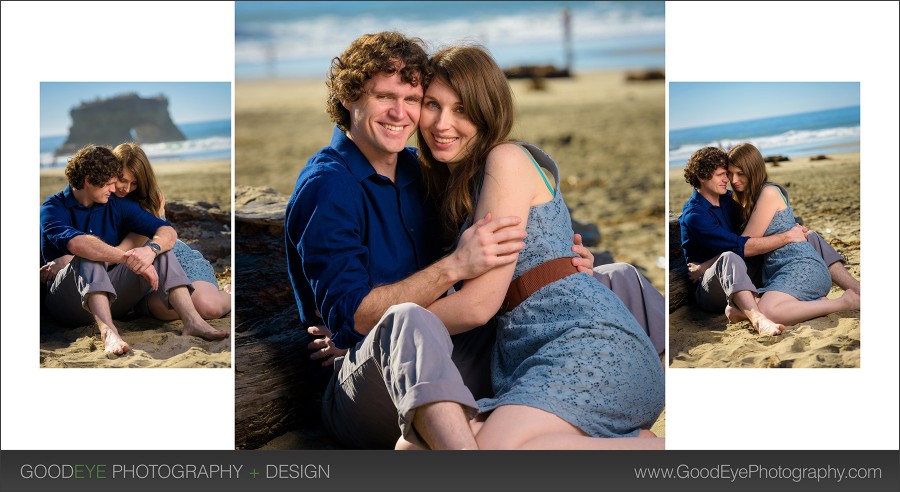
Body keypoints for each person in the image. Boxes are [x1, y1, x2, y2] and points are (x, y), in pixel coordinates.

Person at [286, 32, 663, 451]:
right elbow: (357, 319)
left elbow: (515, 221)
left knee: (617, 276)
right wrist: (449, 270)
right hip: (363, 377)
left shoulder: (422, 170)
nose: (401, 113)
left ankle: (613, 418)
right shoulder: (328, 186)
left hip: (452, 350)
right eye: (383, 97)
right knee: (405, 322)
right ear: (347, 98)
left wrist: (556, 261)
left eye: (413, 99)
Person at [411, 44, 663, 450]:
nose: (443, 123)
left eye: (461, 109)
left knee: (492, 451)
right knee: (415, 449)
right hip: (524, 359)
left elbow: (478, 305)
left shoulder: (505, 158)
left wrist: (376, 331)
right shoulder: (456, 187)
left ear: (487, 111)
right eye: (432, 105)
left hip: (587, 342)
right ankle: (631, 442)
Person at [40, 144, 228, 357]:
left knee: (157, 251)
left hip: (114, 298)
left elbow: (165, 230)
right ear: (89, 181)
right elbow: (78, 245)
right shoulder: (52, 209)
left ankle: (193, 322)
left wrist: (151, 250)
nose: (116, 190)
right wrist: (126, 258)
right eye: (111, 184)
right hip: (67, 304)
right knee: (89, 255)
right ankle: (109, 333)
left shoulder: (115, 204)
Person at [679, 146, 858, 335]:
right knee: (730, 257)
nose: (729, 180)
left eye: (729, 174)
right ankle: (758, 318)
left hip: (745, 270)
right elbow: (741, 246)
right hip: (712, 285)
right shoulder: (695, 215)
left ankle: (856, 289)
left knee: (810, 236)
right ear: (701, 176)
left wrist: (795, 229)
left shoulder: (727, 199)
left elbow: (766, 225)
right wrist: (705, 267)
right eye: (722, 175)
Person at [112, 142, 231, 320]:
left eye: (134, 182)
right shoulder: (102, 197)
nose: (127, 188)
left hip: (172, 257)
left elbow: (134, 243)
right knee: (167, 310)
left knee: (209, 308)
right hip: (137, 276)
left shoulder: (151, 198)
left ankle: (230, 293)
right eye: (122, 179)